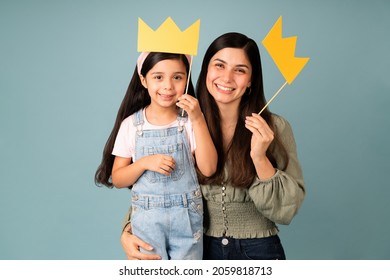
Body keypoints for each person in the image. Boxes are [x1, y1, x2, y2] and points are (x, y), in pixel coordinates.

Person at [120, 32, 305, 260]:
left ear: (250, 81)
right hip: (195, 246)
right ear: (205, 70)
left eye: (240, 70)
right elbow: (156, 185)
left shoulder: (274, 127)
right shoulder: (183, 124)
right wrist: (128, 229)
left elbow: (286, 208)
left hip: (259, 251)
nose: (227, 78)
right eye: (219, 65)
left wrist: (259, 157)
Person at [95, 51, 217, 260]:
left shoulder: (189, 122)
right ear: (143, 80)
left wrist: (198, 119)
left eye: (177, 77)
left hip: (187, 218)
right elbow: (118, 179)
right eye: (158, 77)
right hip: (147, 219)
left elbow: (209, 168)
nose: (168, 86)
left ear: (186, 80)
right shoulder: (131, 125)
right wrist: (143, 163)